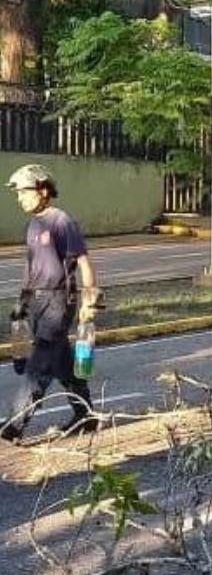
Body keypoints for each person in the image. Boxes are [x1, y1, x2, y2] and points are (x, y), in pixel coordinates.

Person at [2, 164, 101, 442]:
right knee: (62, 362)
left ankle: (15, 423)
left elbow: (83, 261)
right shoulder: (33, 224)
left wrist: (90, 300)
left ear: (43, 191)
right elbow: (31, 267)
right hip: (36, 301)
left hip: (58, 301)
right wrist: (21, 303)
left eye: (24, 191)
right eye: (18, 193)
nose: (19, 197)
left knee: (41, 362)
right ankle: (86, 415)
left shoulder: (61, 221)